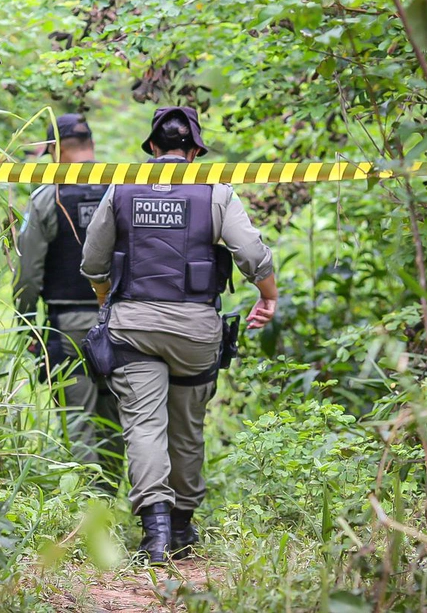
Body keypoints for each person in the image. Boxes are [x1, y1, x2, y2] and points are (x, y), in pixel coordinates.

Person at [80, 106, 277, 564]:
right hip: (195, 331)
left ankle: (157, 534)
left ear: (151, 147)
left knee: (144, 426)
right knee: (186, 428)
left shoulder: (121, 188)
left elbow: (93, 262)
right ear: (194, 151)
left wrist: (106, 299)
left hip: (133, 330)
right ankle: (184, 524)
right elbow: (251, 253)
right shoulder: (215, 191)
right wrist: (268, 296)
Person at [14, 113, 124, 491]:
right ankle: (109, 493)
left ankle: (93, 510)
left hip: (67, 324)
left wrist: (27, 324)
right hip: (121, 322)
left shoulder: (47, 197)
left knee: (78, 414)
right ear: (90, 146)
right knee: (114, 412)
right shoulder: (122, 190)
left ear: (56, 152)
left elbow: (28, 274)